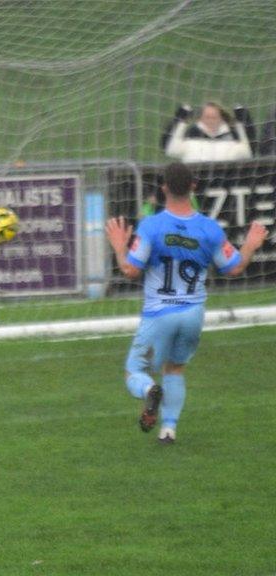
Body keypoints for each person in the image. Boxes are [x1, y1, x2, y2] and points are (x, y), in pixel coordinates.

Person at [105, 162, 266, 444]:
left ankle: (149, 391)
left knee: (134, 370)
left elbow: (130, 271)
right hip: (193, 313)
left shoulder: (152, 226)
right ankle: (168, 430)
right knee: (175, 368)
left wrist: (119, 246)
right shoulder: (210, 229)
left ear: (164, 188)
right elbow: (234, 268)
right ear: (193, 187)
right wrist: (251, 244)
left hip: (159, 313)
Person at [161, 102, 253, 163]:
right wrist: (180, 120)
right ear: (201, 118)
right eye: (207, 117)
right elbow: (172, 150)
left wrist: (243, 120)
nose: (210, 121)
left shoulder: (232, 140)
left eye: (214, 117)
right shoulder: (191, 137)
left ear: (221, 118)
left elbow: (248, 152)